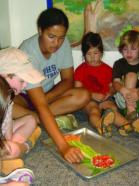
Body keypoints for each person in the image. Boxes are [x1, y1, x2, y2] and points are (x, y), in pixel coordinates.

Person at [16, 7, 90, 163]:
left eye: (61, 38)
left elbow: (68, 80)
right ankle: (43, 118)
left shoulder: (63, 44)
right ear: (40, 30)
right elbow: (40, 104)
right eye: (51, 36)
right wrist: (63, 146)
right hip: (23, 97)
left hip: (47, 95)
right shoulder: (27, 51)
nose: (57, 43)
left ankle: (37, 119)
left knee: (83, 95)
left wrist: (47, 98)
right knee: (5, 107)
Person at [74, 32, 139, 137]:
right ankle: (100, 126)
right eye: (88, 54)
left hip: (105, 99)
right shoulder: (80, 70)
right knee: (94, 111)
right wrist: (91, 95)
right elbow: (76, 90)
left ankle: (126, 125)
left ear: (101, 53)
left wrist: (109, 93)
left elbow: (112, 87)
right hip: (88, 100)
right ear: (84, 54)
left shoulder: (108, 70)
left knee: (112, 108)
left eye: (95, 53)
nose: (92, 57)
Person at [0, 47, 44, 175]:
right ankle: (24, 146)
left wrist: (8, 143)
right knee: (12, 148)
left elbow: (7, 132)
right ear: (4, 76)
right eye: (22, 81)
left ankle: (11, 154)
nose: (25, 86)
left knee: (31, 119)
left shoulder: (8, 96)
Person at [112, 30, 139, 133]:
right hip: (123, 99)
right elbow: (115, 83)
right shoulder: (119, 64)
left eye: (133, 49)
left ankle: (136, 120)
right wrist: (124, 90)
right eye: (125, 49)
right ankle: (131, 111)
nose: (128, 53)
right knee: (131, 75)